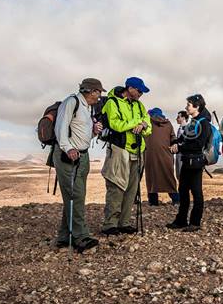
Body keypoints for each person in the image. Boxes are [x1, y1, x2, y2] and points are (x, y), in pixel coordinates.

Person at [52, 77, 106, 252]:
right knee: (76, 196)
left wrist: (93, 132)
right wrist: (68, 148)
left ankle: (64, 235)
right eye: (98, 92)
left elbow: (82, 135)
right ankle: (81, 237)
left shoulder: (87, 108)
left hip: (82, 156)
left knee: (73, 197)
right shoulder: (71, 102)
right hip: (69, 156)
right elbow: (60, 128)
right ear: (91, 91)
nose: (99, 96)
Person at [100, 76, 152, 235]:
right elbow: (115, 124)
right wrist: (136, 124)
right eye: (139, 90)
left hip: (137, 150)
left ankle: (124, 222)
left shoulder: (140, 106)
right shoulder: (112, 102)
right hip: (119, 149)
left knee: (131, 188)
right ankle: (110, 224)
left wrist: (143, 125)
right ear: (130, 88)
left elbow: (148, 127)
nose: (141, 94)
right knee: (116, 186)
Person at [168, 95, 211, 231]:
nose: (186, 107)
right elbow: (183, 138)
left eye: (189, 105)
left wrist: (179, 147)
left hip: (196, 162)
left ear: (197, 107)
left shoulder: (203, 123)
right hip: (187, 160)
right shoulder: (193, 122)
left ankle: (195, 222)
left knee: (196, 192)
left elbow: (199, 144)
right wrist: (175, 143)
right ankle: (181, 220)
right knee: (183, 190)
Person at [145, 108, 179, 206]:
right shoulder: (168, 124)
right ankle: (176, 200)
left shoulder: (148, 123)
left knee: (151, 178)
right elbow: (173, 138)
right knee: (168, 177)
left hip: (150, 155)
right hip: (166, 155)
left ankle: (153, 202)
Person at [174, 110, 188, 179]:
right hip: (179, 154)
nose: (176, 119)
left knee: (181, 174)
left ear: (183, 118)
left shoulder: (186, 129)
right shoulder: (181, 128)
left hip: (183, 154)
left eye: (178, 117)